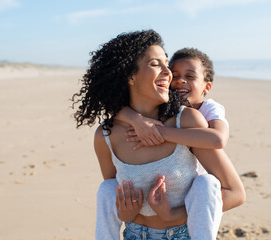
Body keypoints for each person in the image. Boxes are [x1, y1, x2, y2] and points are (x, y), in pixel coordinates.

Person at [72, 30, 245, 240]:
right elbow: (116, 200)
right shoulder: (106, 135)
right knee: (107, 189)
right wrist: (125, 213)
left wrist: (174, 216)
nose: (168, 72)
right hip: (134, 235)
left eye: (166, 64)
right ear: (130, 76)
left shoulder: (188, 122)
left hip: (184, 234)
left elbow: (234, 192)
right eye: (156, 64)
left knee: (207, 184)